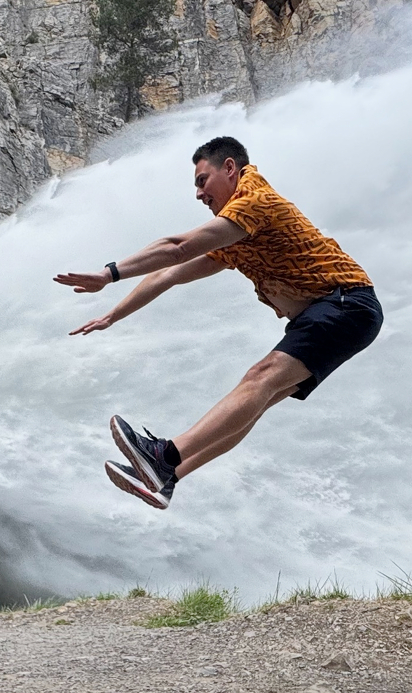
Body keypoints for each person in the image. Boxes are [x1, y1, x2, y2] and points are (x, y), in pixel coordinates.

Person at [55, 136, 382, 509]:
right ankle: (167, 478)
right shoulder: (236, 235)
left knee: (260, 377)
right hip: (339, 313)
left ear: (230, 169)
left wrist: (109, 273)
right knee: (259, 398)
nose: (198, 194)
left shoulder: (255, 203)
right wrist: (113, 314)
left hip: (346, 303)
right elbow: (171, 273)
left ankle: (163, 456)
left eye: (202, 180)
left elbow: (177, 247)